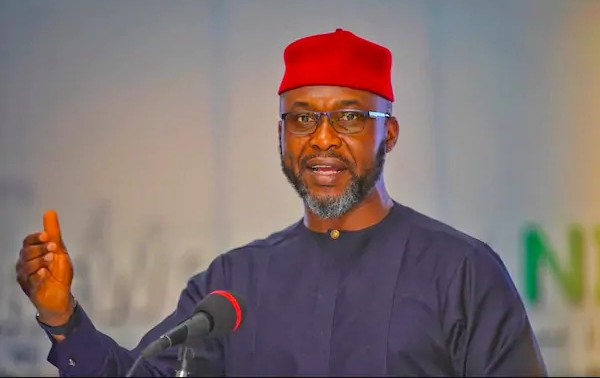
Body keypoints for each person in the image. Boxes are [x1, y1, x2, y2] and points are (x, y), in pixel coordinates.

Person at [15, 28, 547, 377]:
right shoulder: (234, 284)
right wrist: (62, 318)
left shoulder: (461, 272)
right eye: (302, 118)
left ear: (389, 134)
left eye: (349, 117)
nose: (322, 139)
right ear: (281, 135)